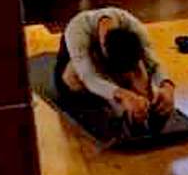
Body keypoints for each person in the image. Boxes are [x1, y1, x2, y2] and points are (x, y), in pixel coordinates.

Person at [55, 7, 175, 135]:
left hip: (114, 62)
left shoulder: (133, 26)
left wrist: (167, 86)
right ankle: (117, 107)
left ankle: (146, 109)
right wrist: (124, 95)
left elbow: (153, 63)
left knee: (140, 68)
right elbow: (89, 78)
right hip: (73, 72)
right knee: (74, 74)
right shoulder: (77, 32)